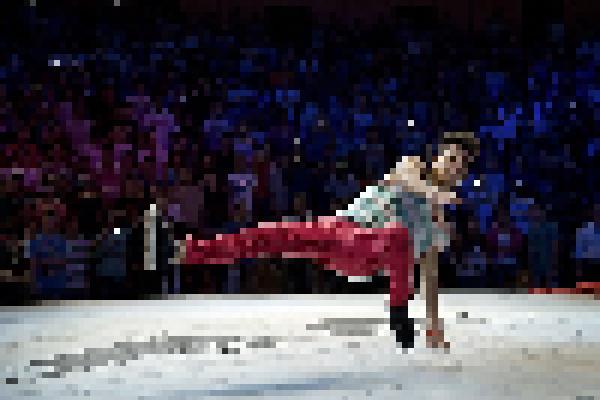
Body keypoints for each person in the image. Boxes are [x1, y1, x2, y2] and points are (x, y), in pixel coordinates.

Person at [181, 131, 479, 349]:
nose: (454, 167)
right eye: (451, 158)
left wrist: (433, 324)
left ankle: (399, 311)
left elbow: (429, 274)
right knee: (273, 235)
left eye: (461, 165)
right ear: (437, 157)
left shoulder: (438, 224)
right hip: (340, 229)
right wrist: (433, 194)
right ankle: (191, 251)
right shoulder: (412, 165)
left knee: (398, 236)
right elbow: (408, 181)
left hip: (369, 255)